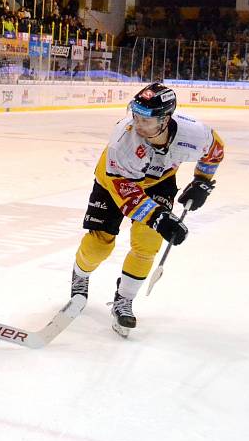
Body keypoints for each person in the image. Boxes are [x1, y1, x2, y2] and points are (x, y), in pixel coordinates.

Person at [70, 83, 224, 337]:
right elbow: (127, 195)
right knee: (100, 244)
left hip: (159, 181)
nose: (138, 124)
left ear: (165, 119)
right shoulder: (123, 142)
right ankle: (80, 273)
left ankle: (124, 299)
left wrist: (202, 182)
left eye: (146, 119)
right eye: (136, 115)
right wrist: (159, 218)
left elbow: (215, 150)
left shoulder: (193, 134)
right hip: (115, 181)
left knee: (148, 242)